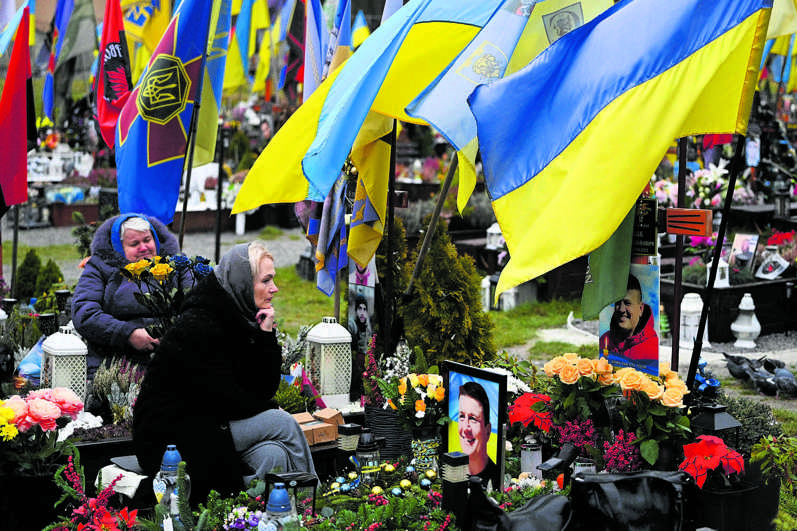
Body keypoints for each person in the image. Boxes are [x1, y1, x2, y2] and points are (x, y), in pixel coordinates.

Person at [133, 241, 316, 503]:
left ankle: (259, 513)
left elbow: (261, 389)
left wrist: (265, 336)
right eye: (266, 281)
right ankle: (310, 505)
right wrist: (270, 410)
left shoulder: (238, 317)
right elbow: (228, 398)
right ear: (242, 282)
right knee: (283, 424)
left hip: (212, 421)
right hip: (171, 435)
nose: (274, 288)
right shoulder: (199, 325)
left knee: (272, 454)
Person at [71, 213, 183, 378]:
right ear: (119, 247)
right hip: (115, 365)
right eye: (134, 244)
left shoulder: (177, 266)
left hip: (171, 360)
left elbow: (197, 304)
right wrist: (128, 334)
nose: (144, 247)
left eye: (147, 240)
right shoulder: (99, 268)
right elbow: (84, 313)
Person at [599, 275, 659, 363]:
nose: (621, 309)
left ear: (641, 309)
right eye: (618, 303)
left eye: (627, 303)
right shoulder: (605, 340)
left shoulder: (652, 348)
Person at [458, 381, 498, 489]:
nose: (466, 428)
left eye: (473, 419)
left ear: (488, 431)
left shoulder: (496, 481)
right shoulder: (451, 472)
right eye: (462, 416)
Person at [348, 293, 373, 401]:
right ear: (355, 310)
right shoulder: (352, 324)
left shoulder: (367, 324)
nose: (362, 312)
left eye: (364, 309)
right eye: (359, 309)